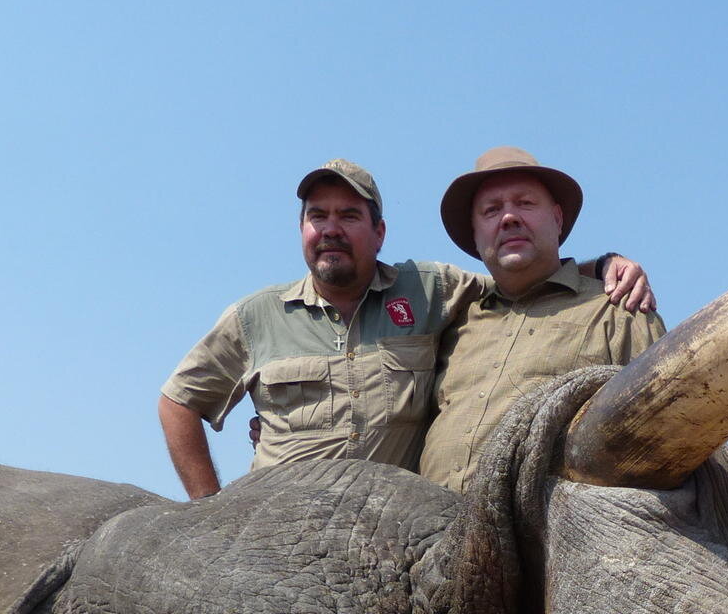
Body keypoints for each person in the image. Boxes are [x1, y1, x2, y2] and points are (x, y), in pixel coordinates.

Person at [159, 159, 651, 499]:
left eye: (350, 215)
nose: (331, 228)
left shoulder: (433, 290)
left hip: (394, 547)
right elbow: (178, 400)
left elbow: (521, 277)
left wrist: (605, 265)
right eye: (317, 216)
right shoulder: (255, 315)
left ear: (380, 233)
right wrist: (209, 506)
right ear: (302, 230)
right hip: (277, 536)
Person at [418, 148, 666, 494]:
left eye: (525, 203)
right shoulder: (452, 324)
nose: (508, 218)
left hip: (557, 538)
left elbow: (661, 436)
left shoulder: (618, 309)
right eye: (491, 210)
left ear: (558, 219)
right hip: (437, 536)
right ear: (475, 236)